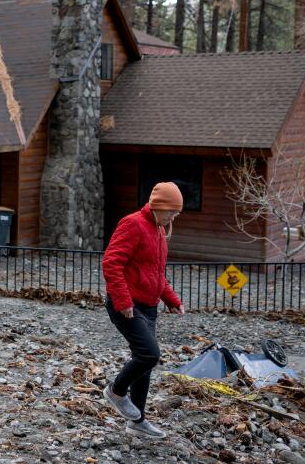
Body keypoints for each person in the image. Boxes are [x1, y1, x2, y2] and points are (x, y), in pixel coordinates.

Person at [100, 181, 186, 440]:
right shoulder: (133, 223)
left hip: (149, 307)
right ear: (160, 206)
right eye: (172, 211)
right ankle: (115, 391)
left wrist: (170, 298)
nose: (174, 217)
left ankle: (137, 421)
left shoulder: (159, 231)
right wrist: (124, 301)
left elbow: (156, 273)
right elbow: (111, 262)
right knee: (149, 355)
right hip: (127, 306)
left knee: (145, 362)